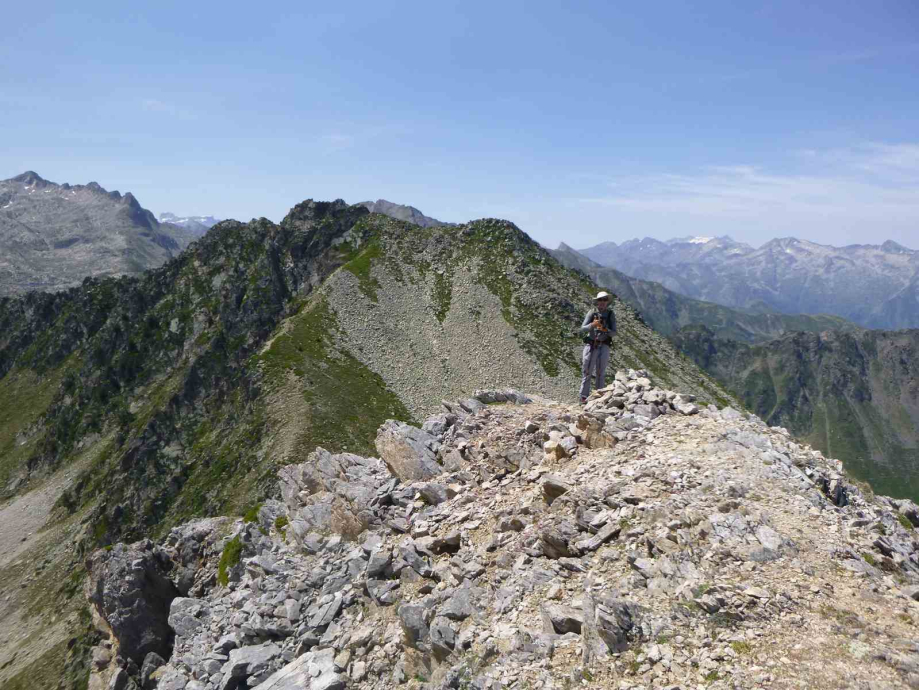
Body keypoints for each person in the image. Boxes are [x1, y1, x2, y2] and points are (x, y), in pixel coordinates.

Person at [579, 291, 616, 403]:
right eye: (600, 300)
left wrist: (606, 330)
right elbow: (583, 328)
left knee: (600, 372)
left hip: (603, 345)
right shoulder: (592, 313)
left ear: (607, 302)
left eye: (605, 300)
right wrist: (593, 325)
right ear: (597, 302)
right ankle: (583, 397)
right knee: (587, 371)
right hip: (591, 344)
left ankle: (599, 398)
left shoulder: (610, 314)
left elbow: (614, 332)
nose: (602, 302)